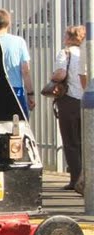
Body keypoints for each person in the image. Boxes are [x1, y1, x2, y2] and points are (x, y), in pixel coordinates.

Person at [51, 25, 87, 191]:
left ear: (69, 37)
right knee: (86, 141)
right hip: (87, 101)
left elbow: (60, 74)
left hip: (70, 100)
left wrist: (52, 77)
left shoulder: (65, 53)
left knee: (71, 141)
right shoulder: (87, 52)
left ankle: (76, 180)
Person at [0, 9, 34, 118]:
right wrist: (30, 94)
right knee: (19, 124)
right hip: (15, 90)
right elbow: (25, 71)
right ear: (9, 23)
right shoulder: (18, 42)